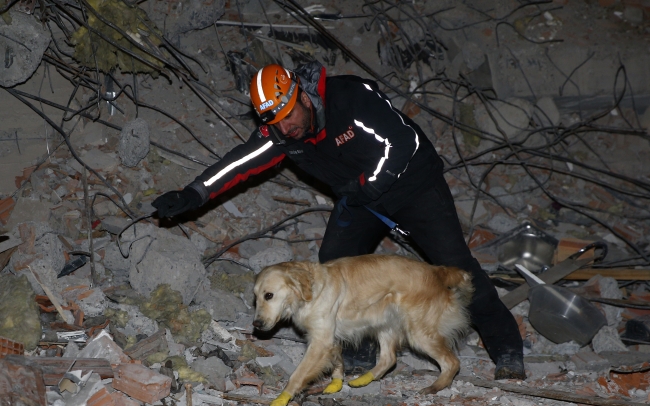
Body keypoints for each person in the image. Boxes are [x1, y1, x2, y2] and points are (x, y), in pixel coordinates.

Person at [152, 61, 526, 380]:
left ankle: (506, 346)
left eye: (288, 117)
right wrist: (192, 195)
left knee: (455, 265)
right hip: (359, 195)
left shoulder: (349, 99)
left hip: (414, 184)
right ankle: (359, 350)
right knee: (336, 267)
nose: (286, 129)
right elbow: (238, 163)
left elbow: (402, 142)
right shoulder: (282, 135)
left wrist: (368, 185)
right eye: (275, 123)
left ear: (300, 96)